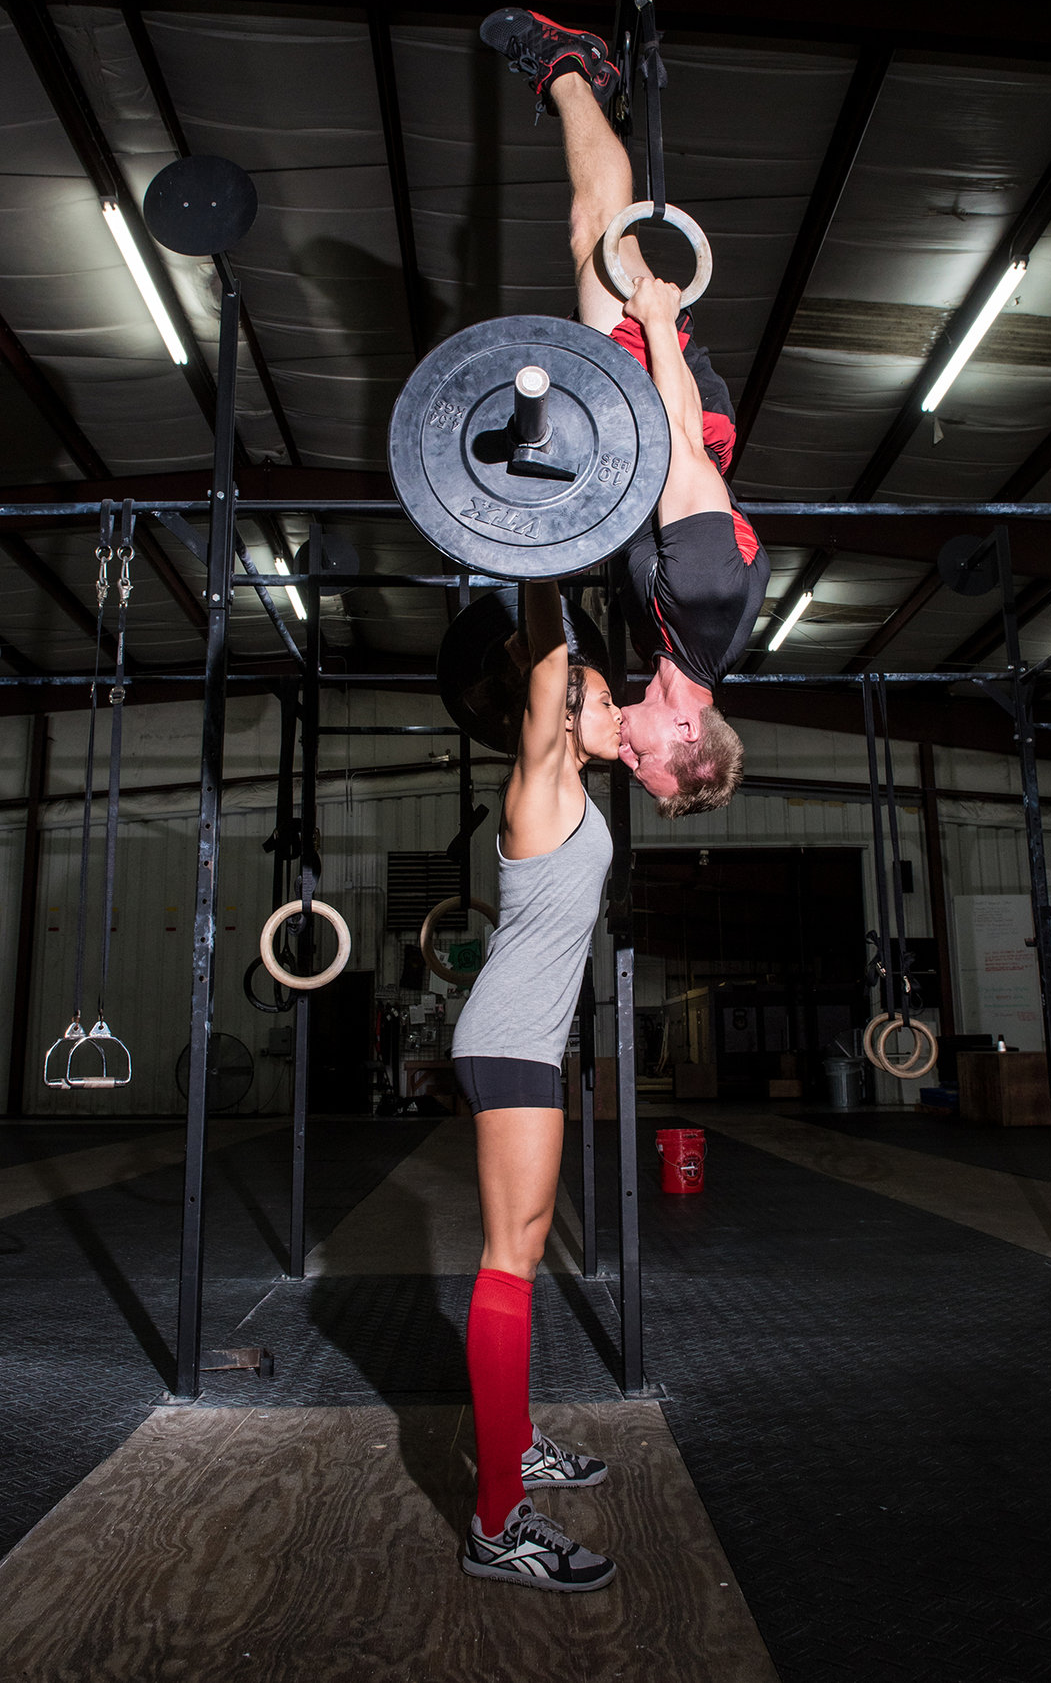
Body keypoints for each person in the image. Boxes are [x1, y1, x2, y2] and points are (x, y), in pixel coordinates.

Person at [481, 7, 772, 817]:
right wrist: (654, 323)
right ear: (687, 735)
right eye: (646, 767)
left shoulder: (674, 647)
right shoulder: (708, 605)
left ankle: (581, 77)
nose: (629, 759)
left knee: (597, 231)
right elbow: (683, 447)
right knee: (597, 233)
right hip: (664, 400)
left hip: (649, 420)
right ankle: (570, 64)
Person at [452, 578, 622, 1592]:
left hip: (524, 1041)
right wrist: (547, 544)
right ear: (558, 708)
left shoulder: (573, 789)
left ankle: (513, 1447)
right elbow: (552, 650)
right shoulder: (543, 777)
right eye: (597, 698)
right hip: (511, 1039)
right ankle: (496, 1520)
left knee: (523, 1240)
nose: (612, 708)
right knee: (511, 1258)